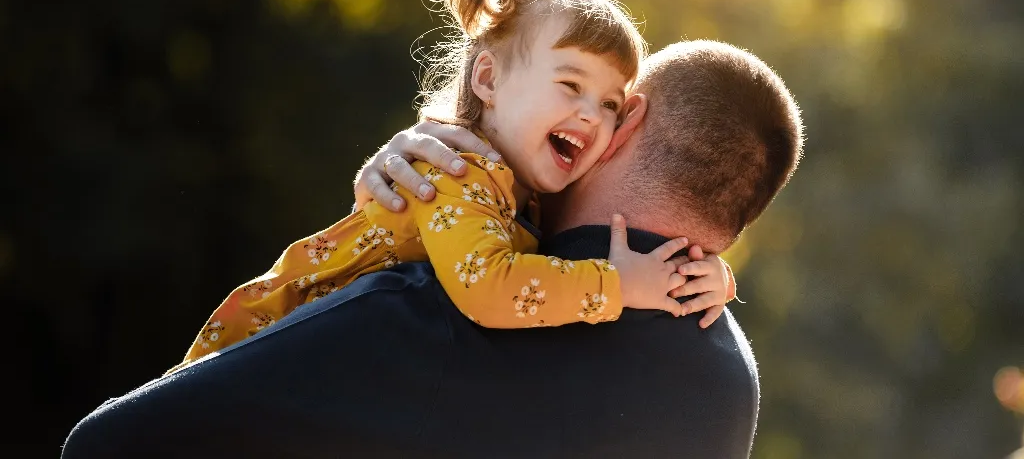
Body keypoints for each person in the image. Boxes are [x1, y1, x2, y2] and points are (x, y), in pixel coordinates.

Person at [61, 38, 804, 458]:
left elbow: (108, 444)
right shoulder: (728, 383)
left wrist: (410, 222)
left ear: (629, 121)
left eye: (604, 105)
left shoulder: (428, 313)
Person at [174, 0, 733, 369]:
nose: (591, 115)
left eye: (611, 104)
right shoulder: (455, 173)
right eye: (570, 85)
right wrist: (616, 287)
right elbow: (488, 288)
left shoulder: (527, 195)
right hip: (252, 361)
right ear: (487, 80)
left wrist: (704, 276)